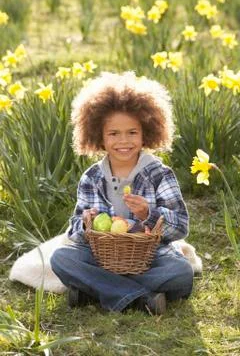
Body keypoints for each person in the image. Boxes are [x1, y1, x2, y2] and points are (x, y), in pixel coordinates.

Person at [50, 71, 194, 315]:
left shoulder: (160, 174)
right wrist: (86, 223)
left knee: (181, 273)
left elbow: (180, 227)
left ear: (146, 132)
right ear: (99, 136)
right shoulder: (92, 177)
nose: (123, 141)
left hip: (149, 256)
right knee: (61, 259)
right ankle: (139, 298)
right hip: (101, 256)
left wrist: (149, 214)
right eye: (113, 133)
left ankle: (94, 291)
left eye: (132, 132)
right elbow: (74, 230)